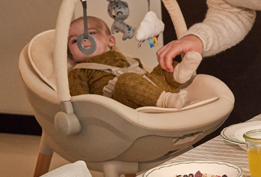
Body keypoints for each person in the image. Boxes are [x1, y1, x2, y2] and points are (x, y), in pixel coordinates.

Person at [67, 16, 201, 109]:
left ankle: (179, 75)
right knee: (127, 81)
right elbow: (81, 101)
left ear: (111, 41)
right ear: (71, 54)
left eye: (91, 33)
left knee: (163, 68)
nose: (83, 40)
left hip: (149, 89)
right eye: (74, 40)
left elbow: (146, 75)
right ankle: (166, 101)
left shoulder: (124, 58)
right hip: (120, 102)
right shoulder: (78, 71)